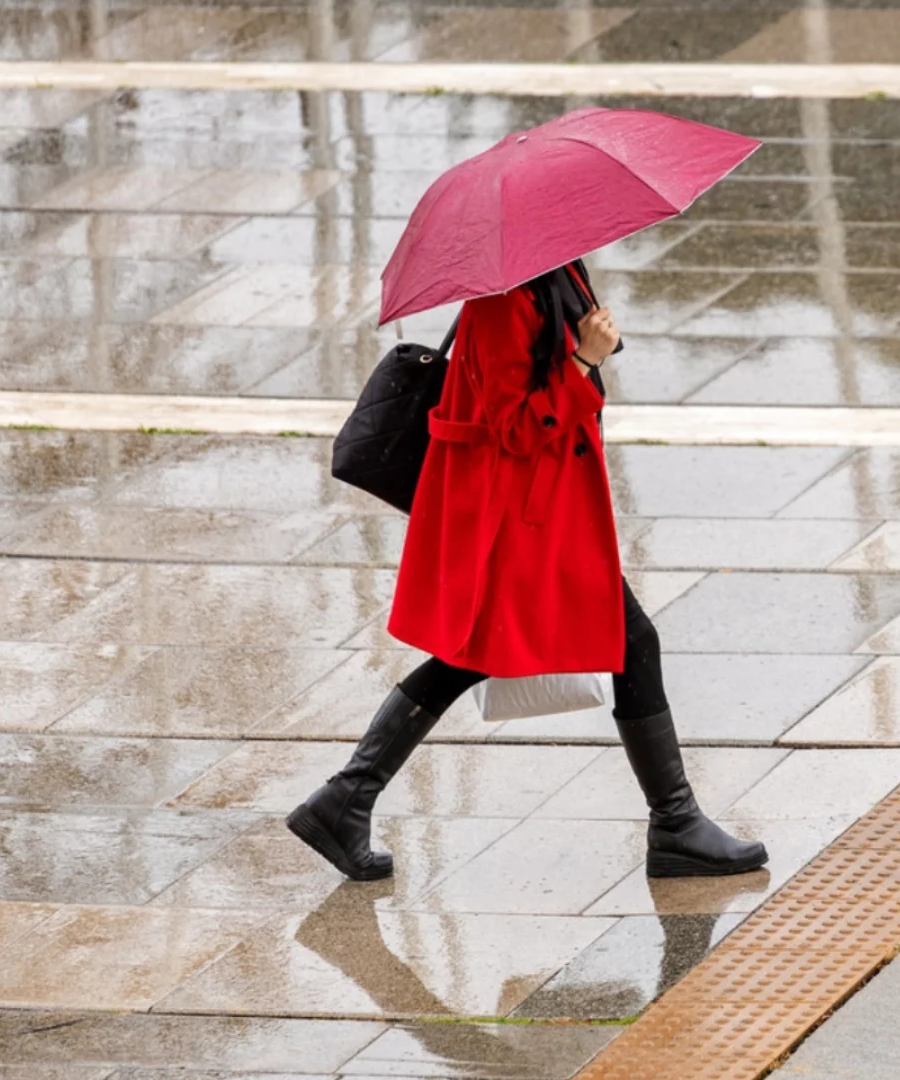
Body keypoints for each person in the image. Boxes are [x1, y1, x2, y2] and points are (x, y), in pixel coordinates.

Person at [287, 261, 767, 882]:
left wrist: (592, 343)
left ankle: (345, 800)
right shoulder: (502, 297)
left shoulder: (557, 269)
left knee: (475, 654)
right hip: (517, 517)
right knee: (628, 642)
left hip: (545, 509)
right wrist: (583, 363)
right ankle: (675, 823)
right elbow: (514, 427)